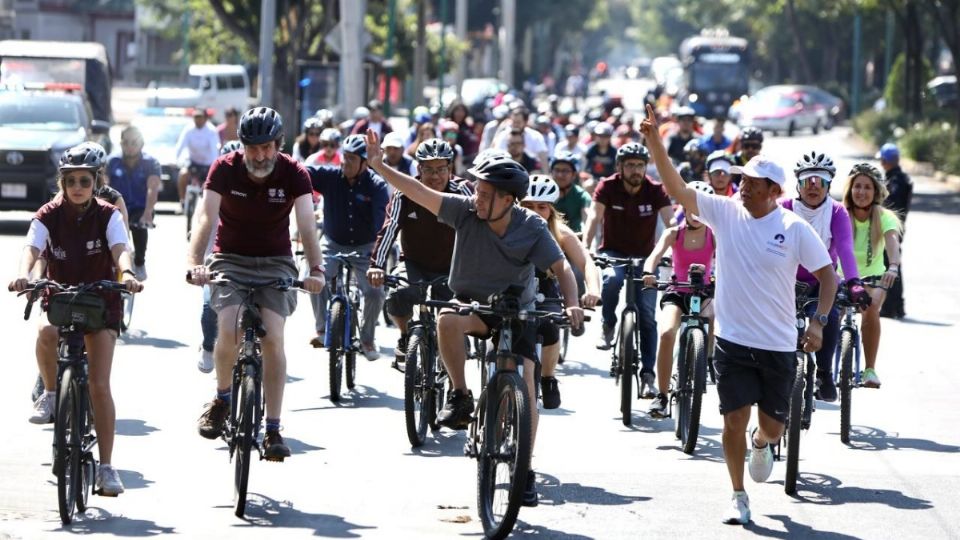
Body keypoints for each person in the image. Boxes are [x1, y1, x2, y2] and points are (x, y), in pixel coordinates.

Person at [640, 103, 836, 526]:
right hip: (732, 339)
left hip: (779, 343)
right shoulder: (725, 212)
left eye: (752, 183)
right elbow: (677, 190)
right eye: (742, 179)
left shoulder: (794, 228)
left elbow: (827, 277)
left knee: (773, 427)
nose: (742, 186)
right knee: (732, 419)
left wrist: (818, 321)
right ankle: (737, 494)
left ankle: (762, 444)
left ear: (773, 191)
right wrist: (656, 144)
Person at [364, 132, 583, 508]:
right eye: (477, 190)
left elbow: (560, 266)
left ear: (507, 199)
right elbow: (418, 192)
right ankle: (462, 396)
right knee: (447, 319)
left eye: (484, 193)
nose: (476, 197)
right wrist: (380, 166)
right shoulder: (464, 211)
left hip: (517, 312)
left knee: (526, 383)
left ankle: (524, 469)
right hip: (473, 306)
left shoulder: (530, 225)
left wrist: (574, 302)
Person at [188, 107, 326, 460]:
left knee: (273, 337)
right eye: (253, 148)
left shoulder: (295, 172)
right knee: (229, 325)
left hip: (276, 263)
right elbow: (206, 216)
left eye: (267, 148)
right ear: (242, 146)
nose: (260, 155)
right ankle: (221, 399)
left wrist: (316, 269)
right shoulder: (224, 169)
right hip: (230, 260)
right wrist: (194, 263)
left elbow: (307, 224)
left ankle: (273, 428)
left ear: (279, 145)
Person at [11, 144, 143, 496]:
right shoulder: (47, 214)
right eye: (71, 181)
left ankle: (106, 468)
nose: (78, 186)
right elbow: (32, 248)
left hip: (101, 301)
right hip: (62, 295)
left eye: (85, 180)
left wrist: (127, 273)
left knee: (99, 385)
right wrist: (24, 274)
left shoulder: (108, 213)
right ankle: (52, 393)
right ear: (63, 183)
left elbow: (120, 248)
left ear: (95, 181)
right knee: (45, 331)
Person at [367, 138, 473, 367]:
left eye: (440, 169)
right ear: (418, 169)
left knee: (456, 315)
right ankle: (406, 335)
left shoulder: (463, 191)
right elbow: (389, 229)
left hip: (453, 268)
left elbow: (480, 227)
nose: (435, 176)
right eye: (428, 170)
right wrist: (376, 265)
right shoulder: (404, 193)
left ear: (450, 169)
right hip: (414, 262)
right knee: (397, 295)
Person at [583, 142, 673, 398]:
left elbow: (671, 223)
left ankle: (647, 376)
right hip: (614, 252)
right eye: (630, 165)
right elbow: (593, 217)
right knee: (611, 280)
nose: (636, 170)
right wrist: (586, 246)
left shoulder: (655, 190)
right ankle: (608, 323)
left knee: (647, 315)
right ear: (620, 167)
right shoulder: (607, 186)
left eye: (640, 165)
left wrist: (672, 252)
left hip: (647, 258)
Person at [781, 151, 867, 402]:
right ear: (798, 184)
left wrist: (854, 282)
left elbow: (845, 249)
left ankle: (824, 373)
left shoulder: (837, 212)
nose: (814, 187)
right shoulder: (784, 208)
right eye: (808, 181)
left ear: (829, 186)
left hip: (822, 283)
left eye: (820, 182)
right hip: (785, 280)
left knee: (828, 316)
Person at [520, 175, 601, 409]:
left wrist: (593, 290)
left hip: (546, 292)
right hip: (512, 290)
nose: (535, 212)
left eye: (541, 207)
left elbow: (586, 262)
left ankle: (548, 377)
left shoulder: (561, 232)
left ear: (551, 209)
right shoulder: (507, 226)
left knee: (550, 327)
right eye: (528, 206)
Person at [307, 134, 390, 359]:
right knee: (315, 277)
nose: (345, 162)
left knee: (375, 292)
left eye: (352, 159)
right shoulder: (331, 176)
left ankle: (367, 338)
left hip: (366, 248)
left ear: (365, 163)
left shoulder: (377, 186)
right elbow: (300, 172)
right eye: (345, 157)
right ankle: (322, 328)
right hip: (332, 244)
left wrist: (378, 260)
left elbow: (381, 225)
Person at [643, 181, 717, 417]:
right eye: (692, 207)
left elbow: (730, 258)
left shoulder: (714, 235)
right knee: (666, 334)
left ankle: (707, 361)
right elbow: (653, 256)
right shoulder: (674, 233)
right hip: (677, 290)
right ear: (684, 208)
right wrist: (648, 273)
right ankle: (662, 396)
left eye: (702, 209)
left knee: (713, 315)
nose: (697, 214)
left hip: (704, 290)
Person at [841, 163, 902, 389]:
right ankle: (823, 368)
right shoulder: (839, 212)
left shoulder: (884, 216)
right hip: (841, 276)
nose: (862, 192)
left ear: (876, 192)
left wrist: (893, 266)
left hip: (873, 279)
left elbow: (892, 242)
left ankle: (869, 370)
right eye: (857, 186)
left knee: (871, 310)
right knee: (830, 314)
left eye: (867, 187)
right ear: (850, 189)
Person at [195, 140, 242, 373]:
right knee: (208, 307)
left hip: (243, 262)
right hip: (213, 262)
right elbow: (199, 224)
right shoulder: (209, 195)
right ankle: (207, 346)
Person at [107, 126, 162, 281]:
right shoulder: (111, 162)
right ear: (121, 143)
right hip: (115, 210)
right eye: (126, 143)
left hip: (140, 208)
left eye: (134, 142)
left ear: (142, 143)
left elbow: (153, 188)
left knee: (139, 225)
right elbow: (103, 187)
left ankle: (139, 261)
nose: (130, 147)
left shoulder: (151, 163)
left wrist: (147, 213)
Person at [877, 143, 912, 319]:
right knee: (892, 265)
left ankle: (892, 307)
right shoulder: (899, 178)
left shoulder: (896, 181)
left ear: (886, 161)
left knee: (891, 266)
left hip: (891, 229)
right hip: (895, 228)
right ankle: (896, 306)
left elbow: (892, 207)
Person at [175, 108, 219, 211]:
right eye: (195, 117)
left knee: (210, 185)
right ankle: (182, 202)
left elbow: (214, 151)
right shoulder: (188, 130)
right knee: (182, 174)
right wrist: (176, 159)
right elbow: (180, 146)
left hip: (208, 165)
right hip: (193, 162)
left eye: (200, 117)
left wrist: (214, 167)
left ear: (205, 118)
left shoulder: (211, 131)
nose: (197, 120)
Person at [550, 151, 592, 235]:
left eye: (565, 171)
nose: (560, 175)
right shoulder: (544, 193)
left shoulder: (582, 196)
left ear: (574, 175)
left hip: (575, 238)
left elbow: (587, 220)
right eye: (556, 170)